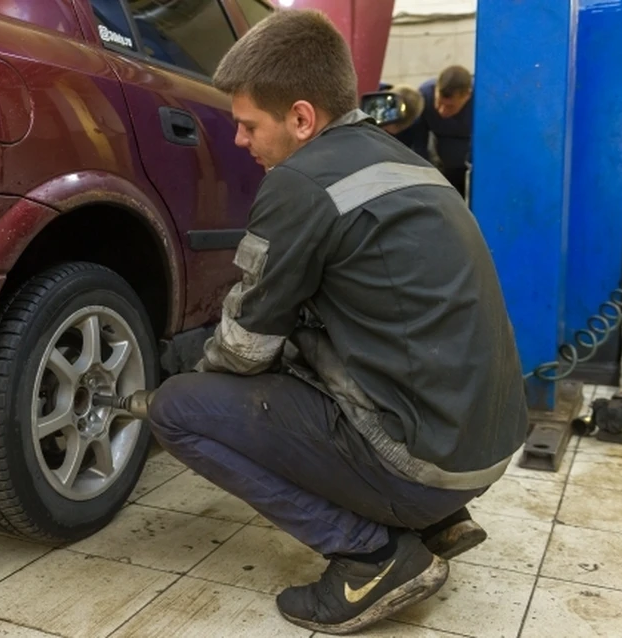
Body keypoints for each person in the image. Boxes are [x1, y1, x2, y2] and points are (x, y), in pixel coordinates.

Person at [146, 10, 527, 636]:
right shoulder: (400, 159)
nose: (239, 141)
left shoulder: (300, 182)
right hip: (483, 446)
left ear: (301, 118)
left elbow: (244, 349)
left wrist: (189, 368)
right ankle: (433, 523)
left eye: (248, 125)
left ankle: (371, 558)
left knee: (178, 411)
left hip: (424, 465)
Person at [405, 65, 474, 197]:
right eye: (438, 102)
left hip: (473, 168)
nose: (442, 111)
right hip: (443, 166)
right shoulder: (425, 96)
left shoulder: (484, 101)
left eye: (450, 106)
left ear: (467, 96)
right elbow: (419, 143)